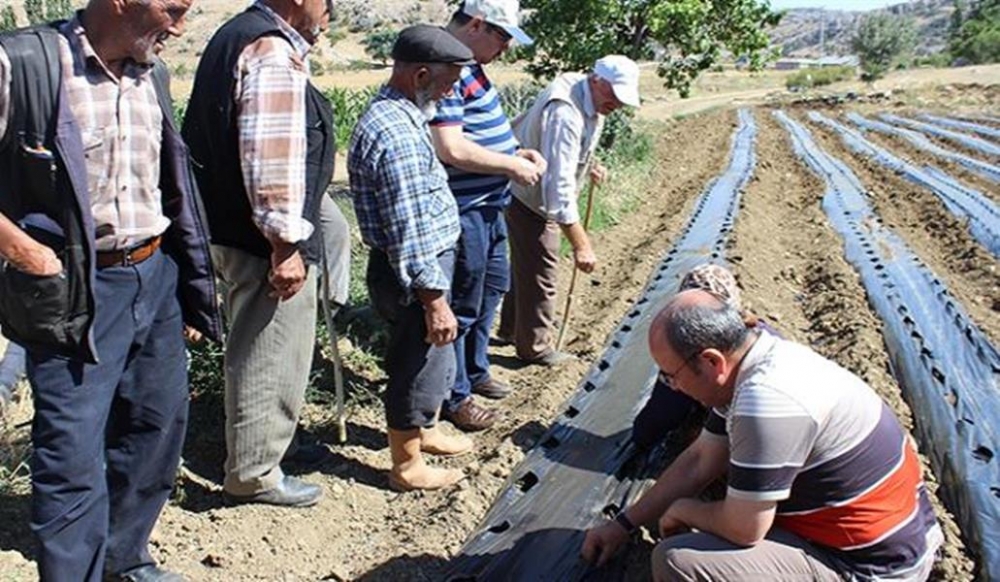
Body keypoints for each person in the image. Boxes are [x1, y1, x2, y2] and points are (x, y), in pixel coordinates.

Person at [0, 0, 221, 579]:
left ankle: (126, 558)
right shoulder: (25, 64)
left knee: (155, 428)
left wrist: (187, 284)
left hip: (154, 275)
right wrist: (27, 253)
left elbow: (168, 181)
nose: (181, 24)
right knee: (71, 454)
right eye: (172, 8)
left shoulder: (155, 76)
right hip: (72, 286)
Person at [582, 289, 943, 581]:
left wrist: (685, 511)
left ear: (711, 362)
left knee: (678, 562)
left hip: (872, 567)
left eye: (670, 375)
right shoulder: (755, 357)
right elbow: (700, 460)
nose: (672, 388)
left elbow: (744, 529)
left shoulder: (766, 401)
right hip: (886, 535)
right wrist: (624, 524)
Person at [182, 0, 338, 507]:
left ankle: (268, 447)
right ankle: (254, 472)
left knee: (260, 346)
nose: (328, 9)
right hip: (259, 241)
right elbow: (270, 159)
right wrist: (284, 246)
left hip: (231, 224)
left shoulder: (239, 34)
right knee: (267, 351)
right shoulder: (270, 50)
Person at [349, 24, 478, 492]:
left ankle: (424, 431)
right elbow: (408, 227)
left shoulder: (405, 116)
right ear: (421, 74)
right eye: (448, 82)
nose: (453, 92)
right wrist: (433, 299)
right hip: (415, 270)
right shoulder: (396, 134)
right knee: (414, 362)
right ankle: (406, 465)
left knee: (432, 359)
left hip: (424, 264)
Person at [432, 0, 547, 432]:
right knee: (462, 301)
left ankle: (475, 369)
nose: (505, 48)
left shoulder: (472, 65)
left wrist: (514, 152)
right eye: (502, 37)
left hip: (490, 204)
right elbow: (451, 148)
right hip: (464, 210)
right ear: (478, 24)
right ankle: (454, 394)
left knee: (491, 288)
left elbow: (480, 134)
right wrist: (511, 166)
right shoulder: (446, 67)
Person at [498, 55, 640, 366]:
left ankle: (510, 330)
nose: (616, 103)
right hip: (529, 195)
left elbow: (572, 151)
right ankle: (535, 347)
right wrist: (581, 245)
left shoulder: (591, 97)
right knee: (543, 272)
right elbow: (557, 190)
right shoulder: (565, 111)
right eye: (613, 94)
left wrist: (590, 164)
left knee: (526, 264)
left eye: (622, 98)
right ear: (597, 80)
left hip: (533, 190)